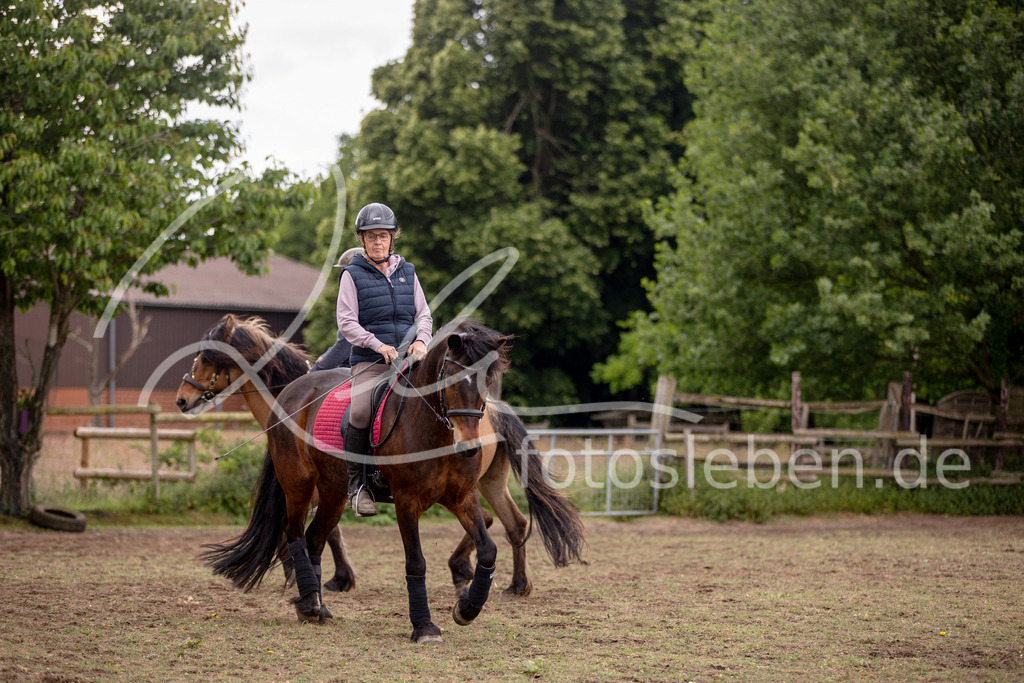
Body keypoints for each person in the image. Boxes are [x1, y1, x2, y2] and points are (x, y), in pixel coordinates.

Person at [339, 202, 432, 516]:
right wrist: (377, 345)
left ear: (393, 238)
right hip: (370, 361)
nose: (378, 242)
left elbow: (424, 314)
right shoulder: (352, 275)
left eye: (383, 236)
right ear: (362, 240)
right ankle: (358, 486)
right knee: (362, 411)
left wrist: (421, 340)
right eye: (371, 237)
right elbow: (347, 322)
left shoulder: (408, 271)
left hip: (409, 360)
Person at [309, 247, 364, 372]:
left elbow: (345, 345)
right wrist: (325, 356)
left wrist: (315, 370)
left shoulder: (360, 301)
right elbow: (342, 342)